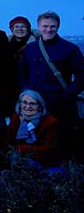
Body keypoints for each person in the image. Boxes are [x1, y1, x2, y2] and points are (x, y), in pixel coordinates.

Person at [19, 11, 84, 160]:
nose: (49, 30)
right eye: (45, 26)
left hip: (59, 105)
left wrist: (68, 94)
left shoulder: (69, 49)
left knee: (61, 140)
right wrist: (25, 92)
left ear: (58, 26)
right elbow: (21, 72)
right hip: (33, 105)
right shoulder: (31, 48)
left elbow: (82, 76)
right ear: (39, 26)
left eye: (52, 26)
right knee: (35, 139)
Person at [6, 90, 62, 169]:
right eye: (24, 102)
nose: (28, 107)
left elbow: (49, 150)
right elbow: (9, 141)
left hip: (42, 161)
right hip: (17, 158)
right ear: (20, 104)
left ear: (40, 106)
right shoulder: (16, 118)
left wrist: (21, 148)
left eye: (32, 104)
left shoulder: (50, 122)